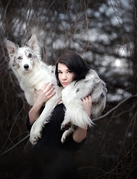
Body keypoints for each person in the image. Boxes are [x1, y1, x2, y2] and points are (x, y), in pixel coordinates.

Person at [23, 51, 93, 179]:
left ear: (77, 72)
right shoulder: (54, 91)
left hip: (60, 168)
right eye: (60, 72)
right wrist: (39, 101)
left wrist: (86, 114)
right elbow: (31, 124)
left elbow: (76, 141)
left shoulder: (81, 97)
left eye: (69, 71)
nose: (64, 77)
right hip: (36, 164)